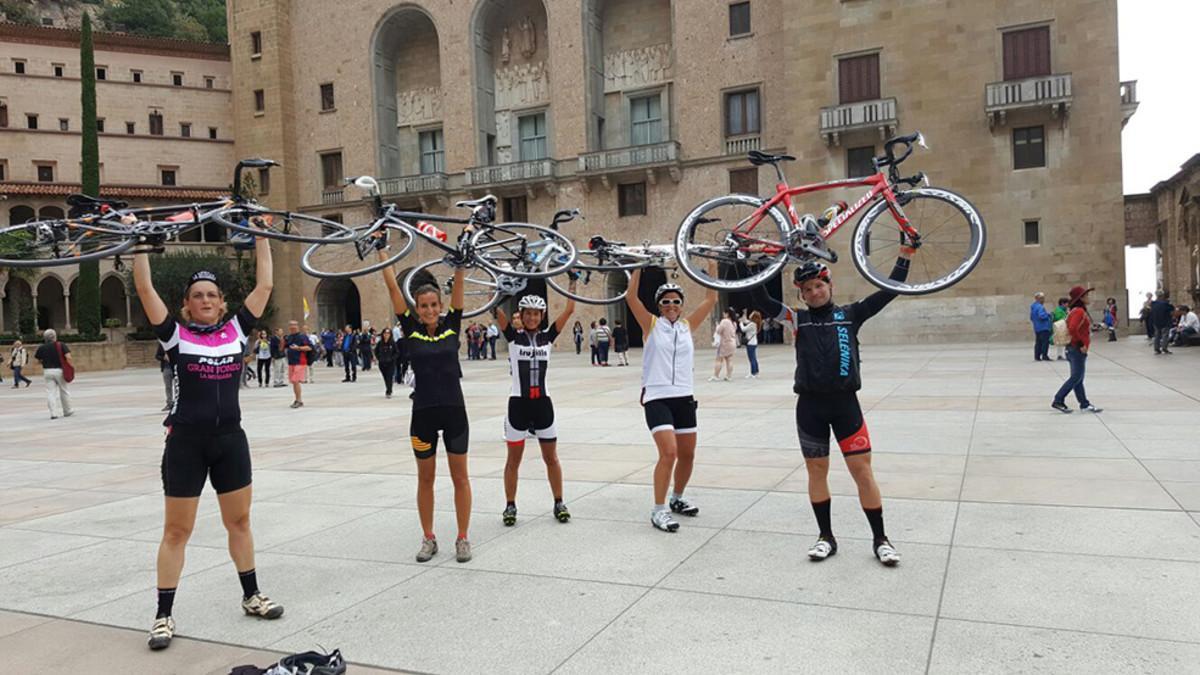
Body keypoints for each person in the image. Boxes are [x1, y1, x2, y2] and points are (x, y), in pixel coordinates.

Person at [130, 215, 282, 651]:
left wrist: (261, 236)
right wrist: (141, 242)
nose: (206, 300)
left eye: (212, 294)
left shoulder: (236, 330)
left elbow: (265, 287)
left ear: (221, 300)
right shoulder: (174, 336)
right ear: (187, 303)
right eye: (198, 296)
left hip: (231, 440)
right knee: (177, 532)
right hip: (186, 444)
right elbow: (145, 290)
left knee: (240, 521)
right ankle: (162, 615)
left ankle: (251, 595)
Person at [749, 244, 916, 566]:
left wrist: (904, 257)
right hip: (810, 408)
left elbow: (888, 292)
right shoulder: (796, 319)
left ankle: (881, 539)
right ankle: (826, 536)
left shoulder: (851, 314)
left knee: (862, 472)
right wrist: (751, 266)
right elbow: (762, 302)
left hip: (845, 407)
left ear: (830, 285)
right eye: (807, 289)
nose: (814, 292)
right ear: (801, 294)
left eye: (819, 286)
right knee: (816, 471)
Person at [378, 248, 474, 563]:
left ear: (440, 306)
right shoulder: (411, 330)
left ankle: (462, 538)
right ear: (417, 310)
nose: (430, 310)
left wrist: (460, 265)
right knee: (426, 479)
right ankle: (429, 538)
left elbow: (458, 294)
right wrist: (382, 253)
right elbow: (394, 289)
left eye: (434, 305)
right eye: (424, 306)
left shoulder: (453, 326)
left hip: (455, 412)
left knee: (460, 478)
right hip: (422, 416)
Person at [626, 264, 718, 533]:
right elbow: (631, 298)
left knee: (687, 455)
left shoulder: (687, 326)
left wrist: (709, 265)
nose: (671, 305)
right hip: (657, 398)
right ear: (659, 305)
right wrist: (639, 267)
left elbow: (711, 298)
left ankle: (677, 497)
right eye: (665, 302)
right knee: (669, 452)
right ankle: (658, 510)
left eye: (676, 302)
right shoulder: (652, 325)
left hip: (684, 398)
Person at [495, 285, 577, 526]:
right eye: (528, 313)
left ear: (542, 316)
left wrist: (571, 282)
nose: (532, 317)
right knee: (513, 460)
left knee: (551, 458)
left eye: (537, 313)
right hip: (518, 405)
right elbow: (494, 309)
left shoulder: (547, 337)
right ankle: (510, 505)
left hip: (543, 404)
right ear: (521, 314)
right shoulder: (513, 337)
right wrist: (499, 286)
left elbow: (570, 309)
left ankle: (559, 501)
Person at [1052, 286, 1103, 414]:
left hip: (1074, 349)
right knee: (1076, 377)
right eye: (1086, 295)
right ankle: (1058, 399)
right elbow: (1073, 328)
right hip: (1076, 349)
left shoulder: (1076, 310)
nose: (1088, 297)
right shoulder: (1079, 311)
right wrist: (1081, 344)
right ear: (1081, 298)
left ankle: (1084, 404)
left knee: (1078, 378)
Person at [34, 329, 74, 419]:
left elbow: (38, 361)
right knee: (64, 390)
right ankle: (67, 410)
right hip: (59, 370)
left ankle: (53, 413)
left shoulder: (42, 347)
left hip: (47, 371)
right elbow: (68, 357)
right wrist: (71, 367)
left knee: (50, 392)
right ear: (55, 336)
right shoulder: (61, 345)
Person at [284, 320, 311, 408]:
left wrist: (298, 348)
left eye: (294, 325)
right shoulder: (289, 337)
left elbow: (309, 347)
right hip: (291, 362)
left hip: (300, 361)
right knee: (294, 382)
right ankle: (297, 399)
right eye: (291, 325)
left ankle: (299, 400)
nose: (293, 327)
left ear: (297, 326)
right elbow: (284, 347)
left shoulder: (302, 337)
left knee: (295, 381)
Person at [709, 308, 737, 381]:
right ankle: (729, 376)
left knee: (719, 359)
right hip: (732, 342)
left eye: (724, 313)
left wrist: (717, 325)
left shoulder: (724, 321)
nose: (723, 315)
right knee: (729, 360)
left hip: (724, 343)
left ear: (727, 314)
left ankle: (716, 375)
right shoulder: (734, 323)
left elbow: (718, 331)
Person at [375, 328, 399, 398]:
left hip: (390, 364)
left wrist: (392, 359)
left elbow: (397, 352)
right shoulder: (380, 343)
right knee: (385, 377)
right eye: (385, 333)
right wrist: (379, 358)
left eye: (388, 333)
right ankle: (388, 388)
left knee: (389, 377)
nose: (386, 335)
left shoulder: (393, 343)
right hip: (382, 363)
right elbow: (376, 351)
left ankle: (389, 391)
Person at [1029, 292, 1052, 361]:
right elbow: (1042, 316)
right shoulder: (1040, 307)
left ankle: (1037, 356)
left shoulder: (1033, 307)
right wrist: (1048, 316)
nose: (1043, 300)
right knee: (1045, 342)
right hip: (1044, 327)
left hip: (1037, 327)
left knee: (1038, 342)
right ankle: (1044, 356)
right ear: (1039, 299)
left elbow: (1031, 317)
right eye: (1042, 298)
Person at [740, 310, 761, 378]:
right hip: (754, 342)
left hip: (750, 343)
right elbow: (746, 321)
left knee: (751, 358)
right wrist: (744, 314)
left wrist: (740, 323)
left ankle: (752, 373)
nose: (750, 315)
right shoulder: (755, 324)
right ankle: (756, 371)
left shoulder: (752, 324)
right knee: (754, 358)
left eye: (751, 314)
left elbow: (743, 329)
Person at [155, 343, 175, 411]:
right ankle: (169, 403)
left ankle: (179, 402)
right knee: (168, 387)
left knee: (178, 386)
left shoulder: (177, 344)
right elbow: (157, 356)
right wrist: (164, 357)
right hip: (166, 368)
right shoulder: (162, 345)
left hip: (175, 367)